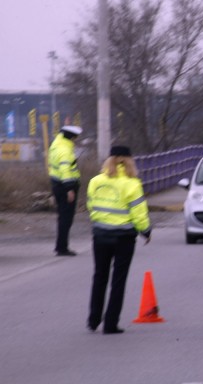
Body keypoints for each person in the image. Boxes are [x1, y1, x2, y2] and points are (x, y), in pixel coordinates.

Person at [86, 145, 152, 334]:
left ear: (109, 159)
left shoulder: (96, 181)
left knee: (99, 276)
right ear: (129, 160)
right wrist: (146, 231)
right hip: (123, 237)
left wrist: (101, 222)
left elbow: (91, 205)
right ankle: (110, 323)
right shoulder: (132, 184)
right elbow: (139, 213)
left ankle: (93, 319)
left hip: (100, 235)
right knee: (118, 280)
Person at [48, 125, 83, 256]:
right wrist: (69, 189)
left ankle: (61, 246)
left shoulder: (56, 145)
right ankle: (62, 247)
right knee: (66, 218)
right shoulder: (65, 151)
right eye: (76, 138)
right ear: (72, 137)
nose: (76, 140)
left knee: (62, 217)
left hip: (57, 184)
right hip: (66, 186)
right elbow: (65, 170)